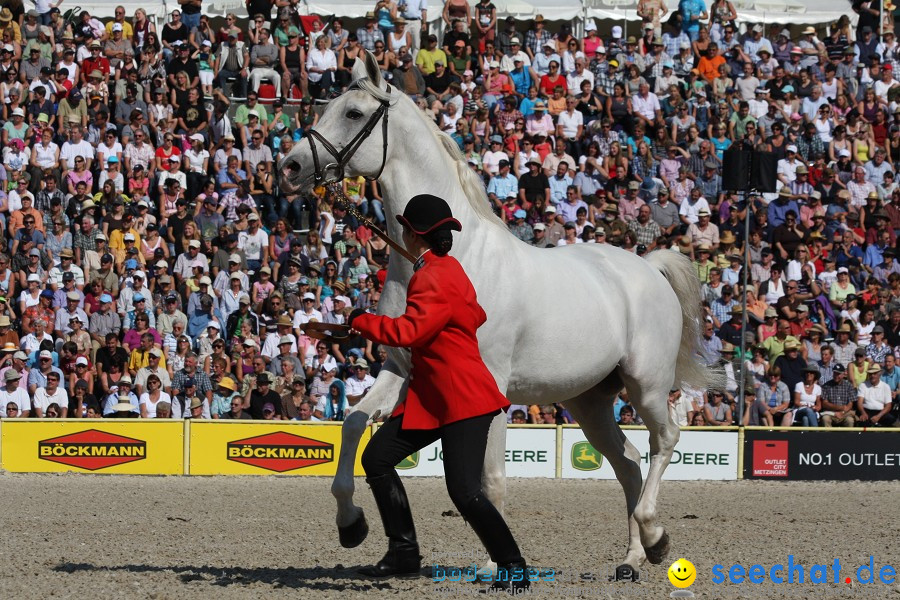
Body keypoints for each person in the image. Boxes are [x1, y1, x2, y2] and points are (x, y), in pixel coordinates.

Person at [347, 194, 528, 593]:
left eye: (406, 229)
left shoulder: (430, 275)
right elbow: (474, 314)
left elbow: (408, 332)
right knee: (377, 458)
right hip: (435, 398)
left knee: (464, 492)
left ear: (413, 234)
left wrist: (362, 320)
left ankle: (513, 564)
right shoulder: (448, 268)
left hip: (461, 398)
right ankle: (404, 553)